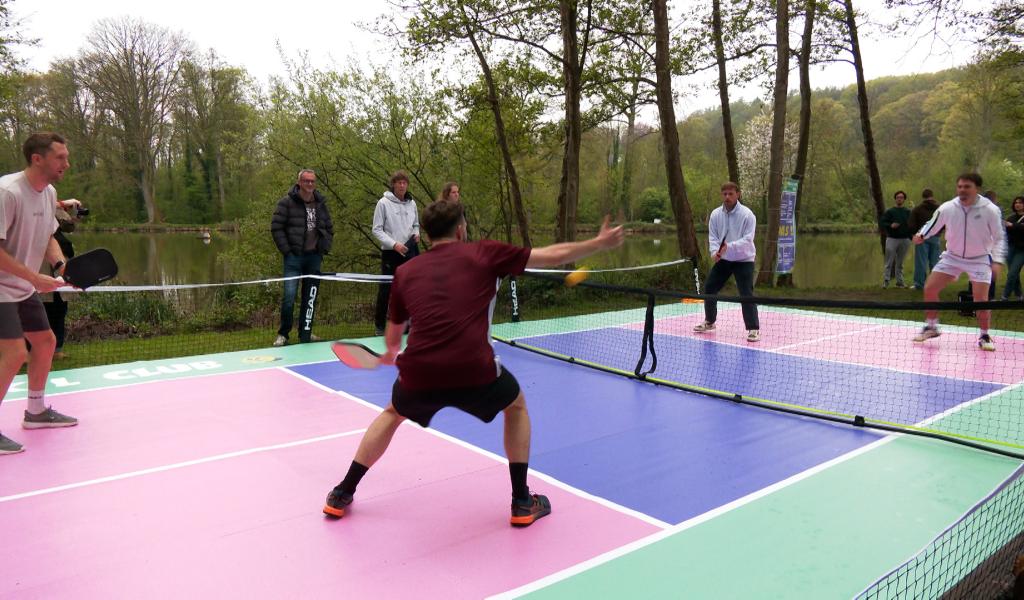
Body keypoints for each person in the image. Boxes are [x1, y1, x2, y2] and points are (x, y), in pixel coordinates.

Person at [323, 200, 625, 526]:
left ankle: (342, 493)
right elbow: (552, 255)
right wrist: (598, 243)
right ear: (461, 229)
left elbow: (394, 340)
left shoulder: (405, 271)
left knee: (392, 413)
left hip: (420, 372)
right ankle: (522, 501)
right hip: (474, 369)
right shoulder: (486, 253)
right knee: (516, 406)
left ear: (426, 235)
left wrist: (388, 354)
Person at [0, 132, 79, 455]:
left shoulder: (49, 193)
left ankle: (35, 412)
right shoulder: (7, 192)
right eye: (60, 157)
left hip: (21, 286)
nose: (67, 164)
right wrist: (35, 277)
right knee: (14, 353)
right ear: (37, 159)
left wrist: (60, 266)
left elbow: (48, 236)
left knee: (45, 342)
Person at [912, 173, 1005, 351]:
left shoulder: (990, 210)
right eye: (960, 186)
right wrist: (922, 235)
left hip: (979, 259)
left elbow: (999, 238)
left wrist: (997, 260)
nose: (962, 190)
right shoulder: (948, 207)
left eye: (967, 186)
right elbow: (932, 224)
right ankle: (931, 326)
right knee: (930, 288)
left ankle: (984, 335)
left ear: (976, 188)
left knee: (981, 300)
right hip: (952, 257)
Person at [271, 169, 334, 346]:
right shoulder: (286, 203)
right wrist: (287, 251)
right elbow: (276, 227)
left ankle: (305, 332)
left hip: (314, 258)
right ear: (299, 183)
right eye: (306, 181)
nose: (310, 184)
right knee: (289, 297)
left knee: (310, 298)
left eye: (312, 181)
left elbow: (329, 228)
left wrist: (323, 248)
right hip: (294, 258)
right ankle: (283, 334)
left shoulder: (320, 203)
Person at [693, 182, 760, 342]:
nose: (727, 197)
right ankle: (710, 321)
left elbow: (748, 239)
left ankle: (753, 328)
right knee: (710, 287)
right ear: (721, 195)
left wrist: (728, 246)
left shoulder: (748, 215)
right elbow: (713, 237)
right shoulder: (715, 215)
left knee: (746, 293)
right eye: (725, 194)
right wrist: (714, 252)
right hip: (724, 259)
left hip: (744, 259)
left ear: (738, 194)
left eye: (731, 194)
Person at [372, 171, 420, 336]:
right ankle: (379, 327)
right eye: (399, 182)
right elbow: (376, 230)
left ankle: (406, 326)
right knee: (385, 290)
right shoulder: (383, 203)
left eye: (404, 183)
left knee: (408, 290)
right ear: (393, 184)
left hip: (409, 251)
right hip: (391, 253)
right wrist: (394, 244)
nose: (402, 185)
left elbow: (416, 224)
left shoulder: (412, 204)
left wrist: (416, 233)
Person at [42, 205, 77, 360]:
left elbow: (69, 226)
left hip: (61, 265)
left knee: (60, 309)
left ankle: (57, 350)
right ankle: (33, 349)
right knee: (41, 310)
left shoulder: (54, 204)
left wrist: (65, 211)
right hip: (41, 267)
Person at [908, 189, 941, 290]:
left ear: (923, 197)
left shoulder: (917, 209)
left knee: (921, 261)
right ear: (932, 196)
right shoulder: (939, 208)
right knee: (935, 261)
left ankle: (919, 284)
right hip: (935, 236)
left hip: (921, 236)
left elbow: (911, 225)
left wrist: (913, 235)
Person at [880, 190, 913, 288]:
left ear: (904, 199)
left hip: (905, 240)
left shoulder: (908, 212)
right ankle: (886, 281)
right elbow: (882, 222)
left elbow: (911, 225)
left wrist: (911, 237)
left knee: (900, 263)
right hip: (892, 239)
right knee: (889, 261)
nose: (899, 199)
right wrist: (891, 225)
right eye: (898, 197)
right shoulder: (890, 211)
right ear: (895, 199)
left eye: (901, 197)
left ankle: (900, 282)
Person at [1001, 196, 1024, 300]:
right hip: (1010, 249)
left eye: (1020, 202)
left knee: (1012, 273)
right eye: (1016, 203)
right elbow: (1005, 232)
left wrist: (1013, 226)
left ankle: (1005, 296)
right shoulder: (1011, 218)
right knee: (1014, 273)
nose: (1017, 204)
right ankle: (1019, 294)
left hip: (1021, 250)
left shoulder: (1012, 221)